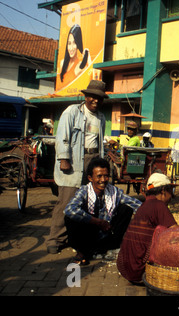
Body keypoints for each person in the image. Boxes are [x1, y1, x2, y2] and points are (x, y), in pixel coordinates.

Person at [46, 80, 108, 254]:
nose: (96, 101)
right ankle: (55, 239)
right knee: (66, 200)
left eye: (99, 98)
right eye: (93, 97)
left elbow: (99, 143)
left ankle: (79, 237)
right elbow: (62, 137)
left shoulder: (101, 117)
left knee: (90, 201)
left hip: (93, 160)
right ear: (86, 96)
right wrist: (64, 158)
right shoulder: (73, 111)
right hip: (74, 161)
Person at [64, 158, 142, 266]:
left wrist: (154, 211)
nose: (103, 180)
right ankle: (82, 251)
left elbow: (136, 204)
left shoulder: (114, 191)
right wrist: (97, 222)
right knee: (70, 216)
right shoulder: (84, 191)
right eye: (99, 176)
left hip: (107, 234)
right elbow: (69, 209)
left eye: (106, 176)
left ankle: (105, 247)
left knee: (126, 209)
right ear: (90, 178)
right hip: (87, 234)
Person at [117, 173, 178, 283]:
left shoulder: (145, 204)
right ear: (163, 190)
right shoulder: (159, 205)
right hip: (140, 270)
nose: (172, 196)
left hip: (124, 267)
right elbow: (177, 232)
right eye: (170, 191)